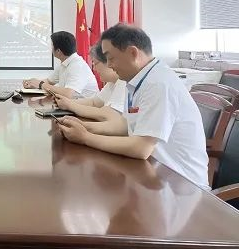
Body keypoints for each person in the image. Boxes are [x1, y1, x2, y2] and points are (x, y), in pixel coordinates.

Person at [58, 24, 209, 189]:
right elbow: (126, 125)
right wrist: (84, 126)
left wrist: (85, 137)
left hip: (183, 187)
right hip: (155, 175)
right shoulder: (138, 81)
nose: (109, 65)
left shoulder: (158, 83)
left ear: (133, 53)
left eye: (111, 58)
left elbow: (141, 148)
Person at [54, 41, 125, 121]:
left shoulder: (124, 82)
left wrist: (70, 105)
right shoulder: (111, 83)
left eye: (95, 63)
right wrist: (66, 102)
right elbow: (94, 102)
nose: (94, 69)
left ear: (109, 61)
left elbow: (106, 115)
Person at [23, 31, 98, 98]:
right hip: (72, 105)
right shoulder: (65, 62)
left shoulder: (77, 66)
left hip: (85, 107)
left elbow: (68, 94)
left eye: (52, 46)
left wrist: (41, 84)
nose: (50, 49)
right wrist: (32, 84)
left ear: (58, 51)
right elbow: (49, 81)